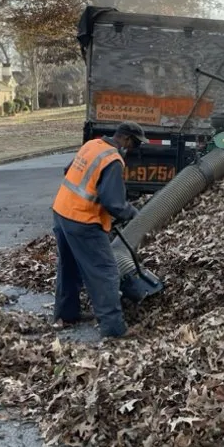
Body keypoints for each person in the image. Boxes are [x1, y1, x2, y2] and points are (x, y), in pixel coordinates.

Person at [51, 121, 149, 338]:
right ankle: (113, 329)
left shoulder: (92, 145)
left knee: (69, 266)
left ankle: (66, 314)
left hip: (62, 212)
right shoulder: (113, 160)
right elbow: (113, 202)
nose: (133, 149)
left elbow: (69, 170)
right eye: (134, 144)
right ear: (124, 139)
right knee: (105, 273)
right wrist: (132, 213)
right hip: (82, 221)